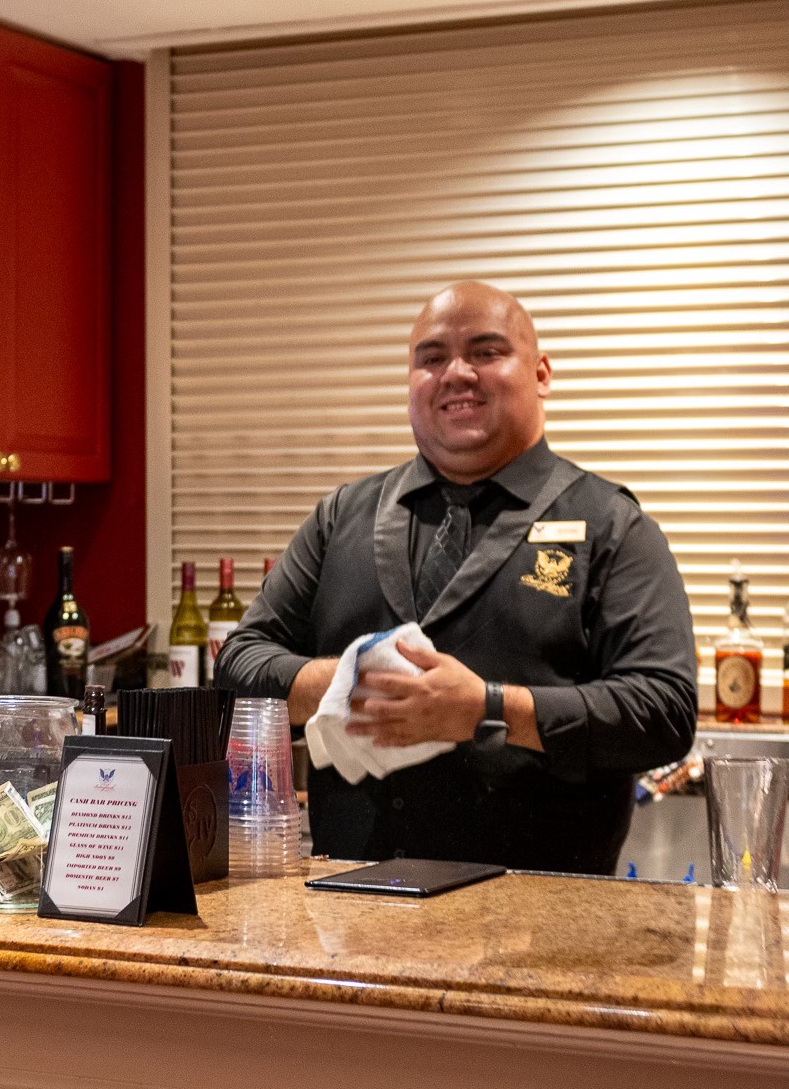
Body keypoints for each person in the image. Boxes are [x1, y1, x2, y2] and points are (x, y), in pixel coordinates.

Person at [215, 281, 697, 874]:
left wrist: (487, 709)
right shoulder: (342, 516)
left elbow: (662, 710)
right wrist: (347, 683)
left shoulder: (611, 526)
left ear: (541, 374)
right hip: (349, 897)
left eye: (487, 352)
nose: (456, 374)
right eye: (432, 358)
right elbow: (238, 665)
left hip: (538, 909)